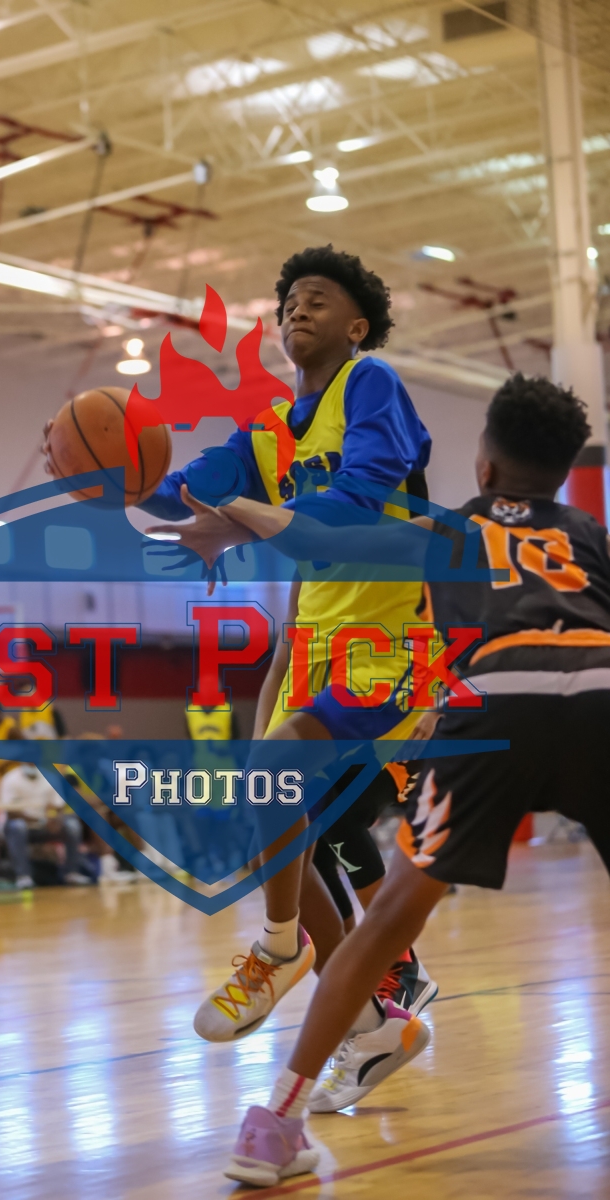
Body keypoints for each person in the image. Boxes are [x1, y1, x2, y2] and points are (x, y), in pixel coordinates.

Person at [194, 373, 610, 1185]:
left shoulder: (452, 527)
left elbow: (325, 539)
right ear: (567, 472)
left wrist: (230, 510)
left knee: (384, 923)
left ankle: (275, 1125)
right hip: (600, 692)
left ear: (484, 465)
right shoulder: (592, 534)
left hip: (498, 705)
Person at [143, 246, 435, 1106]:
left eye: (317, 299)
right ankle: (374, 1022)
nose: (295, 311)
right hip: (313, 652)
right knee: (267, 813)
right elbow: (182, 494)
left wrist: (240, 519)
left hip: (388, 646)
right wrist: (116, 477)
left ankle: (282, 950)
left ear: (357, 325)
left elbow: (352, 505)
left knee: (299, 805)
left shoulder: (370, 385)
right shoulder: (267, 431)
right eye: (287, 303)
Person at [0, 725, 96, 889]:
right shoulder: (10, 779)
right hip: (22, 825)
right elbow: (11, 812)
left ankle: (71, 873)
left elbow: (58, 806)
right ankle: (23, 876)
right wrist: (39, 820)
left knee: (72, 825)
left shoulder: (49, 776)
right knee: (17, 826)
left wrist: (56, 819)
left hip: (45, 825)